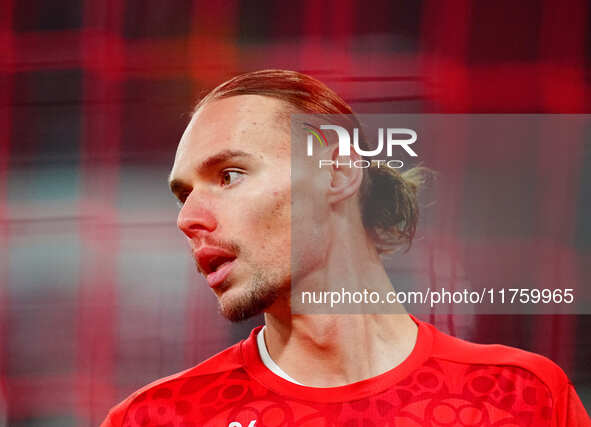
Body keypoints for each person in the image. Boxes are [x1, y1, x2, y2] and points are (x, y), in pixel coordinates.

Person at [101, 70, 590, 426]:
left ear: (336, 172)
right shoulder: (156, 419)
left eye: (229, 175)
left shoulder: (523, 398)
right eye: (184, 195)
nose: (188, 219)